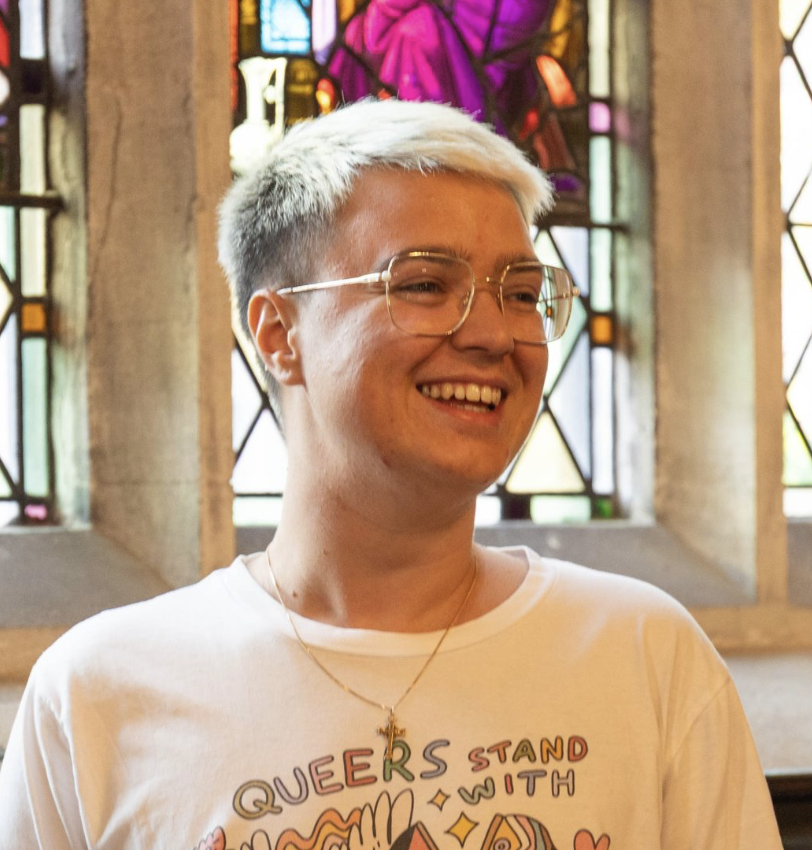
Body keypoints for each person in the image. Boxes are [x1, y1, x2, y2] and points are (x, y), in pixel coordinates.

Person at [0, 98, 782, 849]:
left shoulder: (643, 655)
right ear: (280, 334)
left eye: (519, 292)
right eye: (423, 284)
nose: (492, 334)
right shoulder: (101, 692)